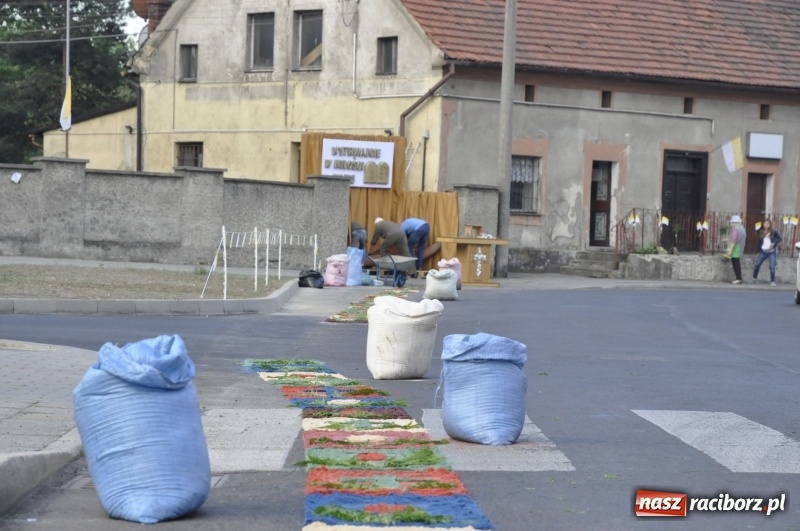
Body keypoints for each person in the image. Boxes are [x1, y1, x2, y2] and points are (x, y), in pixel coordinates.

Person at [752, 218, 781, 286]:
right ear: (763, 224)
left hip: (771, 252)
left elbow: (779, 238)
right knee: (757, 264)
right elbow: (758, 239)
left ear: (770, 224)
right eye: (765, 223)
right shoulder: (761, 231)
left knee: (772, 266)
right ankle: (754, 278)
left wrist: (774, 243)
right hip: (763, 251)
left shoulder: (773, 232)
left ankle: (772, 281)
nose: (766, 225)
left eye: (768, 223)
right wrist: (758, 251)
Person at [724, 214, 746, 284]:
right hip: (740, 247)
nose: (731, 224)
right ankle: (739, 278)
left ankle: (738, 278)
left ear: (734, 223)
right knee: (737, 263)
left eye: (732, 222)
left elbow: (733, 240)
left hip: (735, 248)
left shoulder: (735, 230)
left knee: (736, 264)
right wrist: (727, 240)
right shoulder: (742, 229)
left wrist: (730, 251)